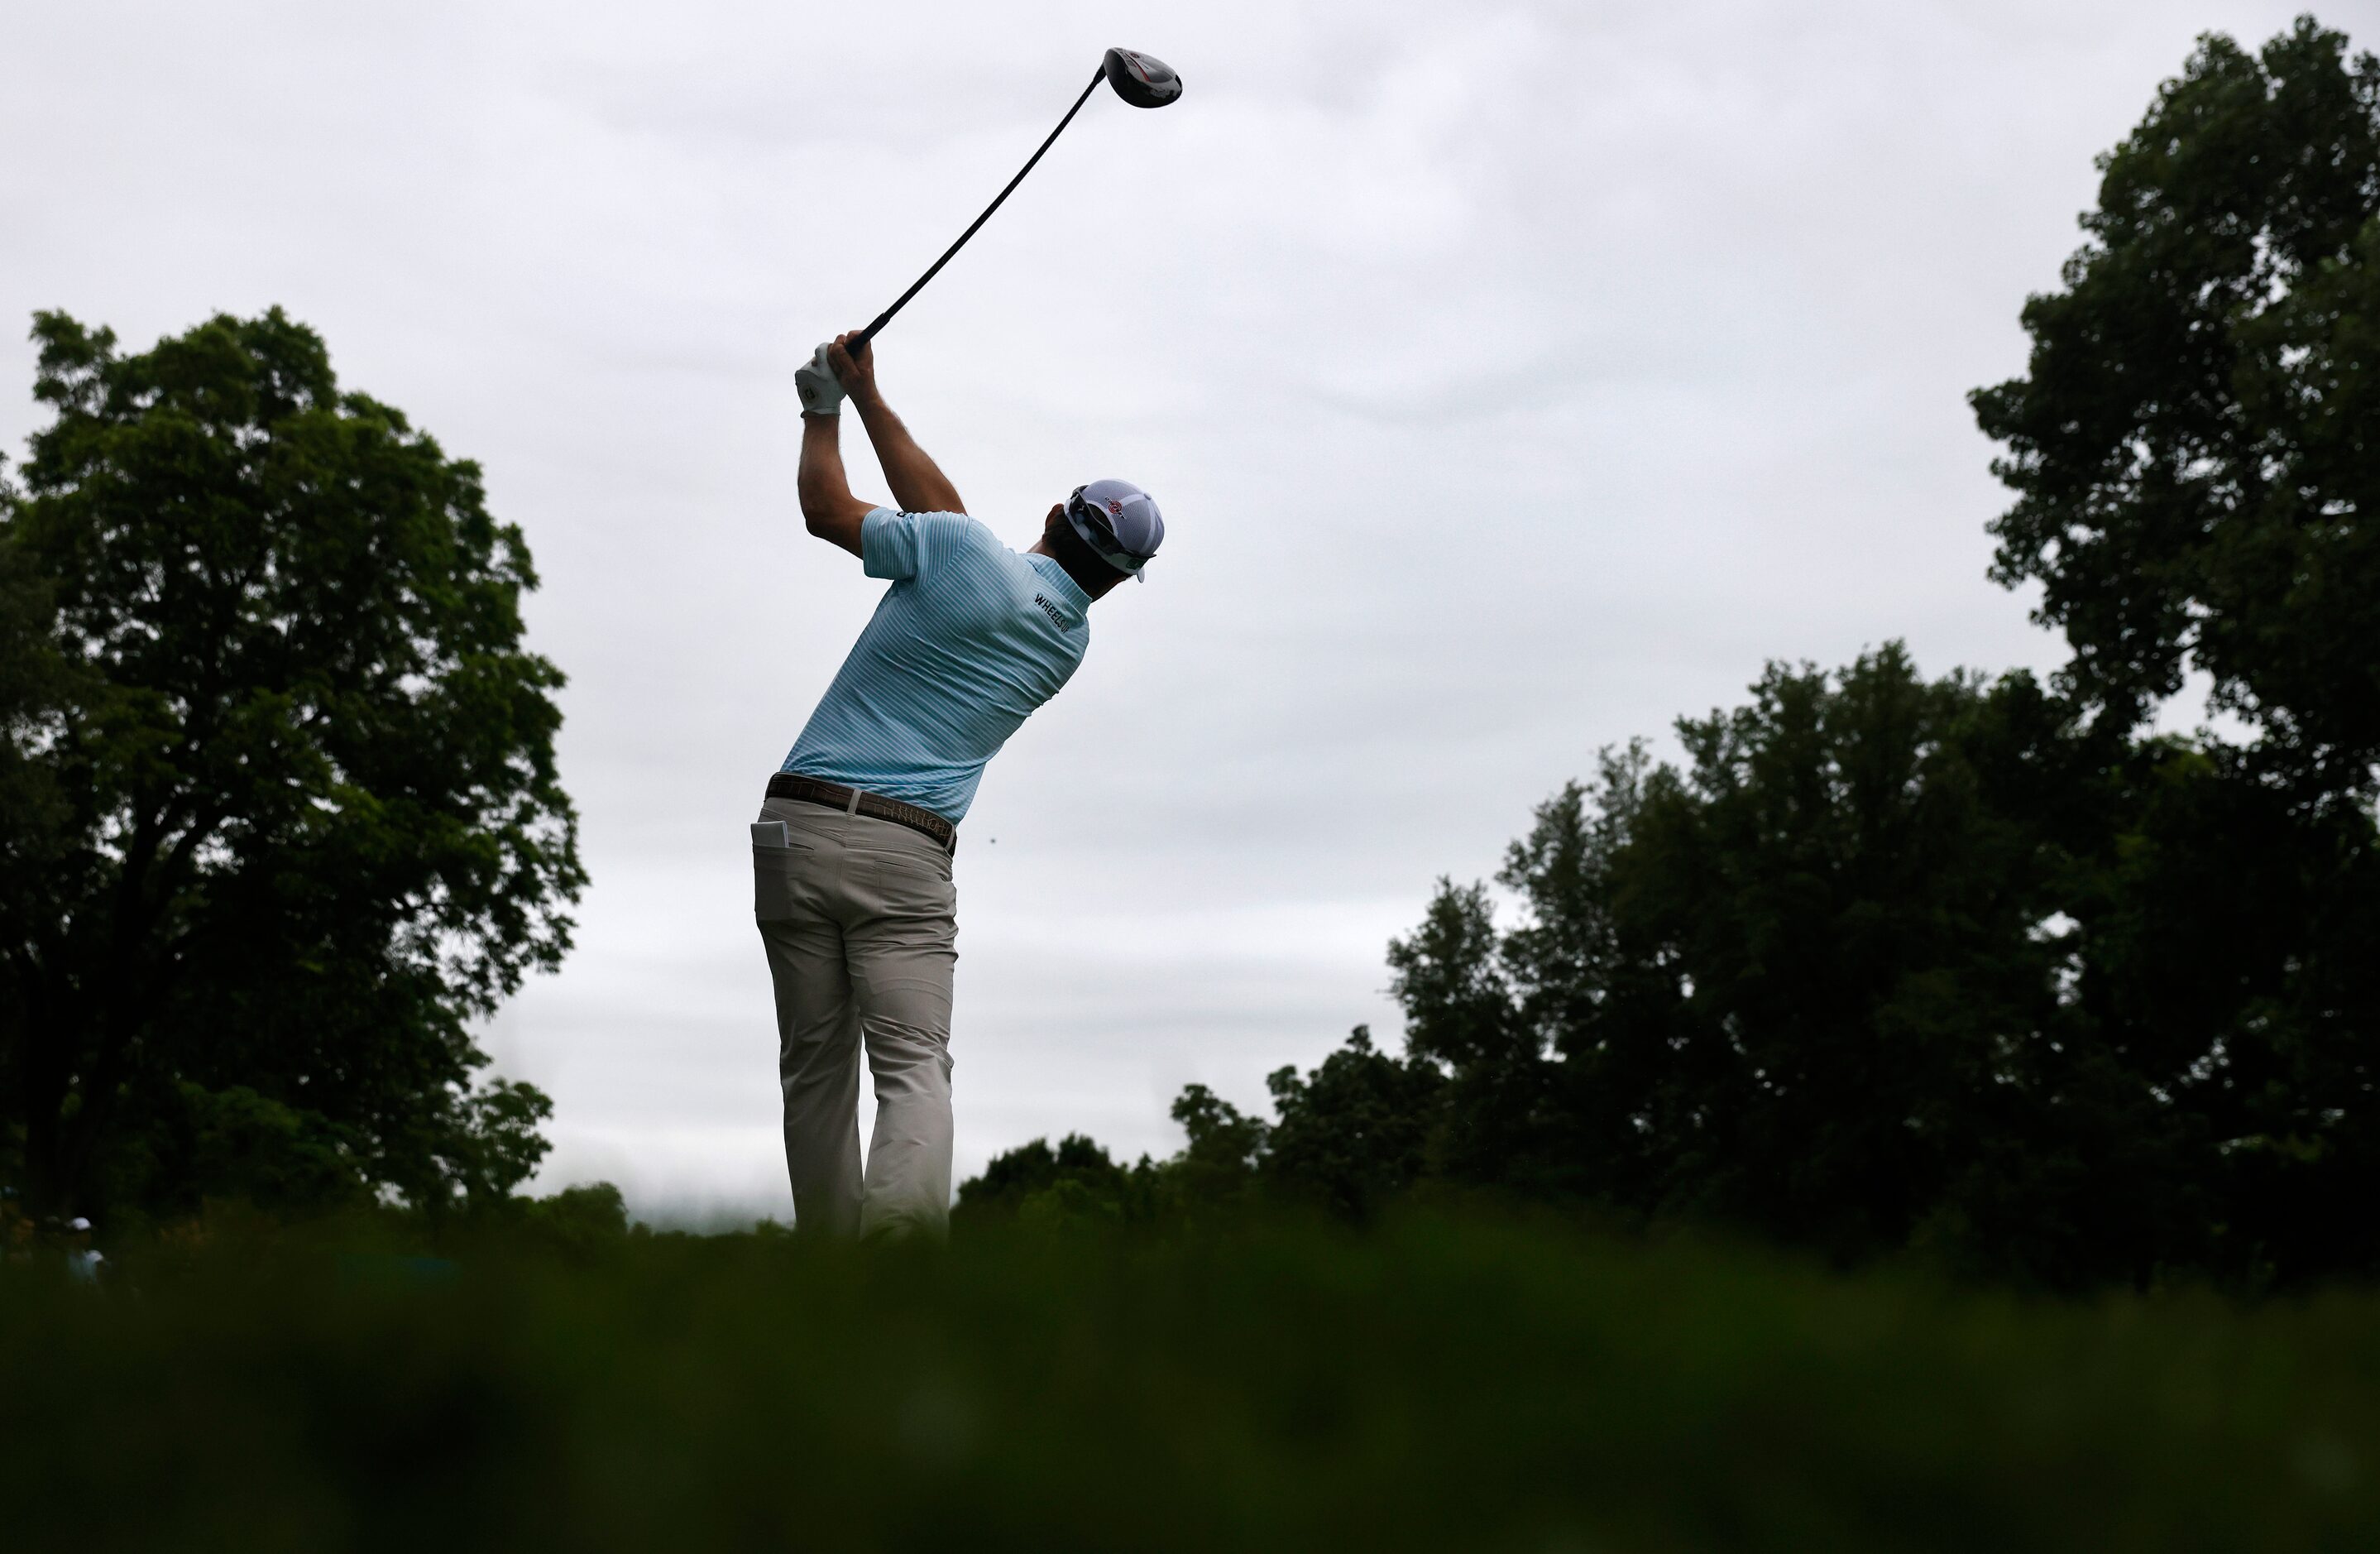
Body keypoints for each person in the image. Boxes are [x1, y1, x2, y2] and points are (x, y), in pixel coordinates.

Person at [755, 333, 1166, 1240]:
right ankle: (897, 1272)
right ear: (1117, 577)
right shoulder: (1064, 641)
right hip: (906, 857)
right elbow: (950, 521)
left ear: (1056, 517)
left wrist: (821, 407)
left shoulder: (964, 553)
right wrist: (864, 397)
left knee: (815, 1067)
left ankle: (828, 1271)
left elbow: (828, 510)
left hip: (795, 824)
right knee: (911, 1067)